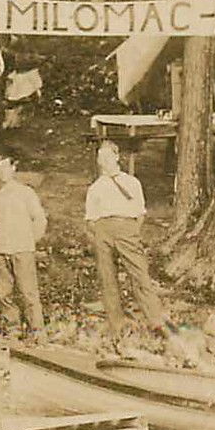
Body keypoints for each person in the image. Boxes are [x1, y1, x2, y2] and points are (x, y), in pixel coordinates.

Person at [84, 141, 169, 342]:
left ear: (116, 156)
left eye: (107, 156)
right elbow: (90, 220)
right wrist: (101, 233)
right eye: (100, 157)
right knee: (107, 277)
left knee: (139, 274)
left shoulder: (132, 182)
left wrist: (129, 232)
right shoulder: (95, 188)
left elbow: (140, 214)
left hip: (127, 229)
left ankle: (156, 321)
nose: (103, 161)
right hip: (103, 229)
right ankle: (117, 325)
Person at [0, 153, 48, 339]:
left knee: (28, 291)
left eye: (5, 167)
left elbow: (39, 219)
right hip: (1, 250)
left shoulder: (26, 193)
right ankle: (13, 328)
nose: (1, 172)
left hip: (23, 249)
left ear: (13, 168)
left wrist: (30, 240)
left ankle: (37, 330)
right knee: (5, 292)